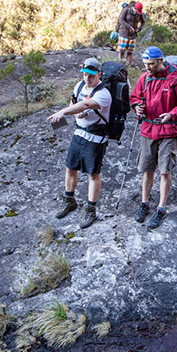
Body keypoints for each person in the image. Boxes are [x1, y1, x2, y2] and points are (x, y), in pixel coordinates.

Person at [129, 46, 177, 230]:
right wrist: (137, 107)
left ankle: (161, 208)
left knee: (164, 170)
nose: (147, 68)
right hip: (148, 129)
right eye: (145, 64)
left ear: (160, 61)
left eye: (151, 64)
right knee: (147, 169)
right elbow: (134, 97)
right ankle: (144, 203)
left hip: (169, 130)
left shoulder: (176, 78)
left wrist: (172, 114)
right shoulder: (145, 78)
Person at [46, 58, 113, 229]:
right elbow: (75, 101)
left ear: (99, 74)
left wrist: (63, 112)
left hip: (96, 137)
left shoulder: (104, 93)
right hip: (79, 133)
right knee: (70, 167)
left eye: (91, 76)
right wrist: (75, 112)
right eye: (85, 75)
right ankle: (70, 200)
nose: (87, 79)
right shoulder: (79, 85)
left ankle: (91, 209)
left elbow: (85, 104)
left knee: (92, 173)